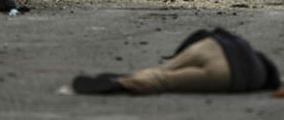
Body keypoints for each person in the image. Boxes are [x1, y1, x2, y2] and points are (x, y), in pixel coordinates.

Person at [72, 28, 280, 95]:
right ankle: (122, 83)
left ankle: (141, 73)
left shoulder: (245, 46)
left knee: (164, 69)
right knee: (167, 81)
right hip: (227, 74)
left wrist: (178, 55)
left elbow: (204, 33)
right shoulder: (259, 77)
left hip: (211, 45)